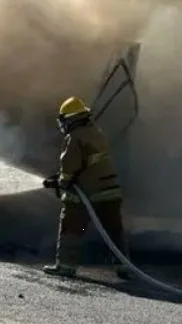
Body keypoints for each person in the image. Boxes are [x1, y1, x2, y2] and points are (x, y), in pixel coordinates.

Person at [42, 96, 131, 280]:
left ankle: (66, 266)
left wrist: (62, 182)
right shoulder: (97, 133)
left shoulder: (74, 137)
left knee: (72, 227)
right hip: (111, 190)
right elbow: (89, 164)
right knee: (113, 229)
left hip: (88, 193)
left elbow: (70, 166)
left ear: (70, 119)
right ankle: (123, 265)